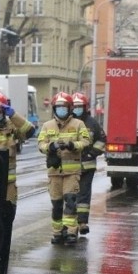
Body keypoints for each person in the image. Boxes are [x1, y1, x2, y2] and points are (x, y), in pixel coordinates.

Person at [37, 91, 91, 245]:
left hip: (72, 172)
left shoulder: (78, 124)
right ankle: (57, 232)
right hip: (54, 173)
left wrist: (73, 145)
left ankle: (71, 231)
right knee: (56, 204)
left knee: (71, 201)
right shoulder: (47, 126)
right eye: (59, 107)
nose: (62, 109)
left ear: (70, 108)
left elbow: (86, 141)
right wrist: (50, 147)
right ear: (54, 108)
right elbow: (40, 144)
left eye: (64, 107)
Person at [71, 92, 107, 236]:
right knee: (70, 196)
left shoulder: (92, 123)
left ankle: (82, 223)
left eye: (80, 106)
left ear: (85, 107)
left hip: (87, 166)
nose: (77, 109)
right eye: (75, 106)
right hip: (70, 166)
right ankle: (70, 224)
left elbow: (102, 139)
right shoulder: (67, 122)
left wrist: (92, 152)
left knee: (84, 196)